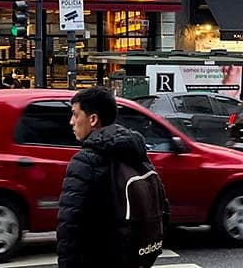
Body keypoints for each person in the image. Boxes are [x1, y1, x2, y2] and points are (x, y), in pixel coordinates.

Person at [57, 86, 168, 268]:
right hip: (131, 258)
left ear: (93, 119)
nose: (71, 122)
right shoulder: (135, 152)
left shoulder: (85, 161)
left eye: (75, 115)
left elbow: (70, 227)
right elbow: (162, 207)